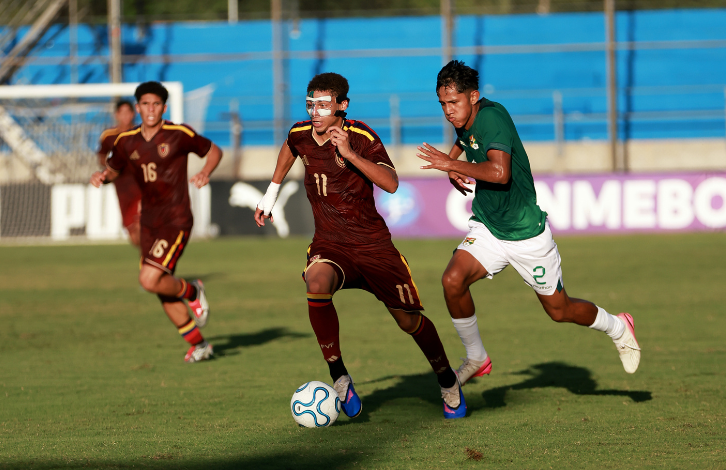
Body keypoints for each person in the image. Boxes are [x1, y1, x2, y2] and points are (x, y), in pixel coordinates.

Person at [255, 72, 466, 419]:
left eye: (323, 105)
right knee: (316, 282)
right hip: (330, 243)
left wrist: (349, 154)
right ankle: (339, 377)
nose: (315, 111)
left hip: (373, 246)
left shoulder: (361, 136)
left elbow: (392, 183)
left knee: (408, 322)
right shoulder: (299, 134)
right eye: (311, 104)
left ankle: (447, 379)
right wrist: (270, 195)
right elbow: (289, 148)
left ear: (342, 106)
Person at [416, 60, 640, 386]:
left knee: (559, 311)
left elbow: (499, 172)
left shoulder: (492, 117)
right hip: (490, 227)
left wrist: (451, 163)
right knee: (452, 280)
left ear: (474, 96)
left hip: (525, 234)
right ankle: (477, 358)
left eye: (454, 103)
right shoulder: (468, 115)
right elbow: (465, 135)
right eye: (443, 104)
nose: (448, 111)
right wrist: (455, 161)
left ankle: (619, 326)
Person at [90, 81, 223, 363]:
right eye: (145, 104)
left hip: (175, 219)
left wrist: (206, 172)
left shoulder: (179, 133)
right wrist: (103, 176)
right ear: (138, 108)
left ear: (164, 107)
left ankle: (193, 290)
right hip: (148, 221)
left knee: (149, 279)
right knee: (159, 284)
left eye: (156, 104)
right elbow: (113, 169)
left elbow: (214, 151)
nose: (151, 109)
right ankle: (199, 345)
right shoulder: (126, 141)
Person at [96, 100, 142, 247]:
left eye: (128, 112)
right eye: (122, 113)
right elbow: (102, 157)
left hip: (142, 185)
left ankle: (153, 266)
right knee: (134, 236)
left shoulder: (142, 132)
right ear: (116, 115)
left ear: (133, 114)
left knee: (141, 225)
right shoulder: (108, 135)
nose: (125, 116)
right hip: (122, 188)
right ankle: (151, 263)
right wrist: (111, 165)